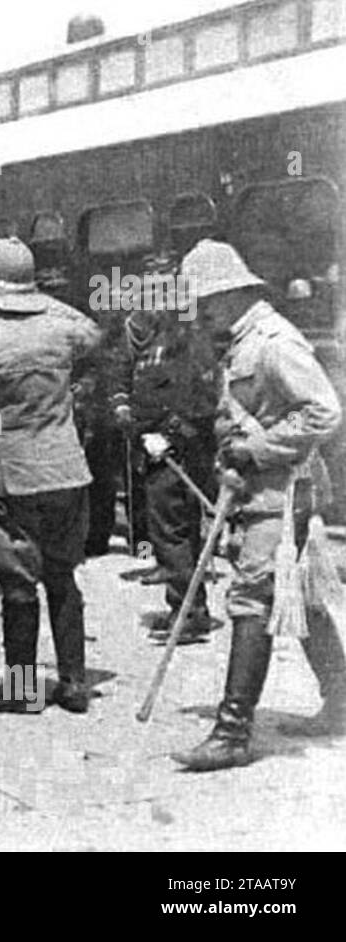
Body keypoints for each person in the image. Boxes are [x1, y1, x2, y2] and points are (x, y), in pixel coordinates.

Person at [171, 240, 344, 771]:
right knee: (302, 598)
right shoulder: (243, 339)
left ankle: (232, 733)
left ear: (229, 294)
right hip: (262, 491)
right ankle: (343, 703)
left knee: (251, 599)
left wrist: (256, 448)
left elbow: (324, 412)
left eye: (206, 301)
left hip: (281, 491)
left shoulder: (273, 343)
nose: (203, 312)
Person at [0, 238, 101, 713]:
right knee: (62, 575)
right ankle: (74, 683)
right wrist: (37, 296)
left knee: (18, 583)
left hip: (9, 477)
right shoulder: (60, 330)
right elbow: (94, 330)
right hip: (66, 470)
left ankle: (20, 689)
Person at [109, 300, 220, 644]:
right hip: (150, 446)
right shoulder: (142, 336)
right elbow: (120, 371)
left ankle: (188, 612)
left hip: (180, 449)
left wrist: (173, 432)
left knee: (173, 529)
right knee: (168, 529)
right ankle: (190, 607)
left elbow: (204, 395)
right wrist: (122, 405)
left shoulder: (192, 340)